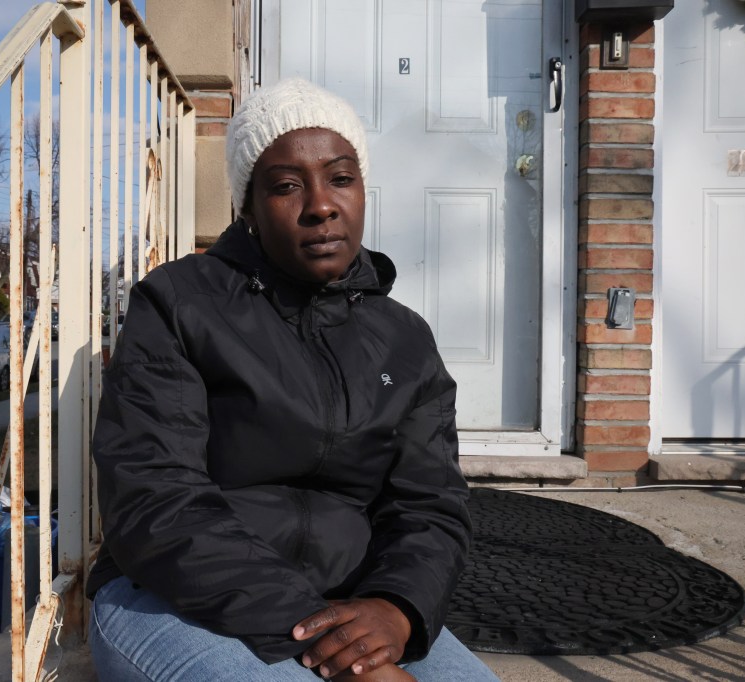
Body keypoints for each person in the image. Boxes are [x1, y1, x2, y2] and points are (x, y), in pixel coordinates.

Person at [87, 78, 498, 682]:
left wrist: (396, 610)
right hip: (175, 596)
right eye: (285, 186)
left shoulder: (405, 338)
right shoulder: (179, 304)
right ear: (247, 207)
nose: (321, 205)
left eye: (341, 178)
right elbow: (155, 497)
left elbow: (430, 503)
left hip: (353, 599)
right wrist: (335, 646)